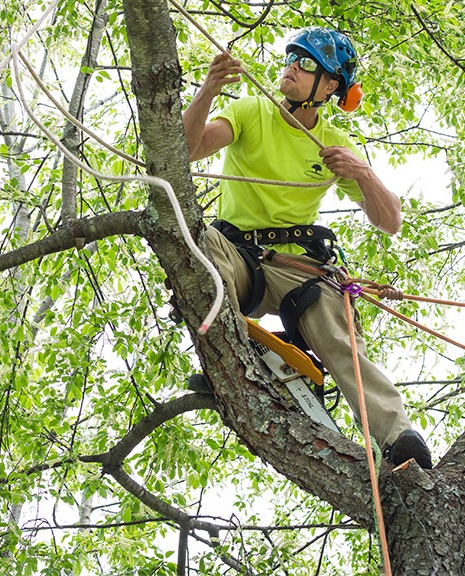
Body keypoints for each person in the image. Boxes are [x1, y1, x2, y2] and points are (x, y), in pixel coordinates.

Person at [182, 27, 433, 469]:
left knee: (339, 342)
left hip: (300, 267)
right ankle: (225, 353)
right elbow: (186, 149)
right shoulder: (251, 111)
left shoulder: (334, 144)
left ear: (330, 86)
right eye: (292, 58)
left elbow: (389, 221)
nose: (292, 68)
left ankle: (399, 438)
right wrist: (208, 89)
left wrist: (364, 175)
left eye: (308, 64)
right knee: (197, 243)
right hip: (238, 253)